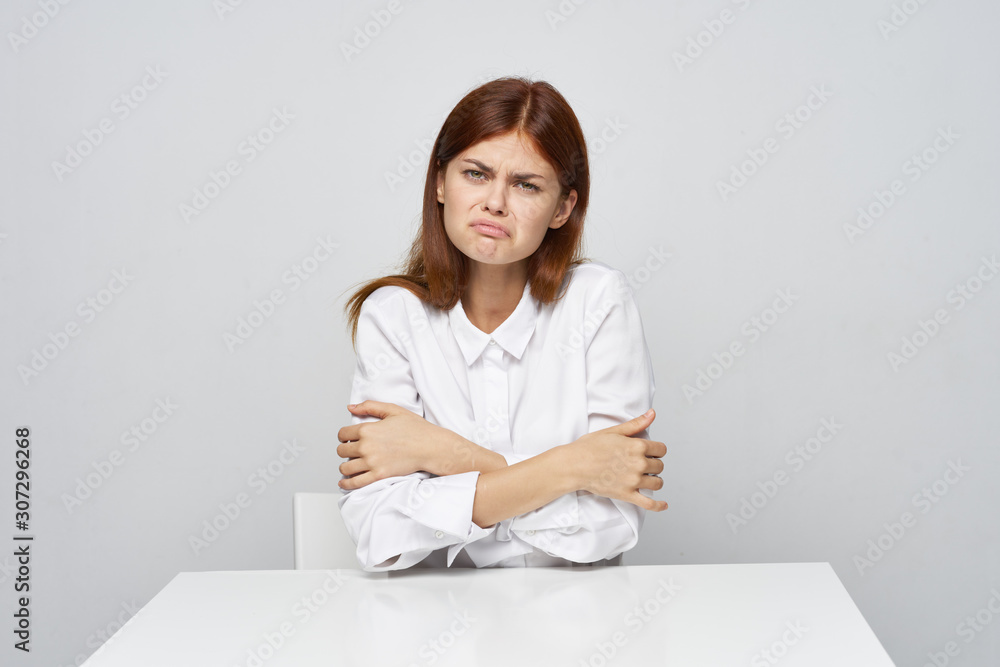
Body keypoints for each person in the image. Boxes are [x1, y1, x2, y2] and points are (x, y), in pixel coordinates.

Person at [337, 76, 667, 572]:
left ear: (562, 208)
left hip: (576, 613)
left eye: (526, 185)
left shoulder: (598, 301)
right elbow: (381, 532)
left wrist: (446, 456)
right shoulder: (393, 315)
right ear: (440, 182)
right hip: (431, 615)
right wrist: (573, 468)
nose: (495, 202)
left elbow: (609, 522)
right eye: (476, 174)